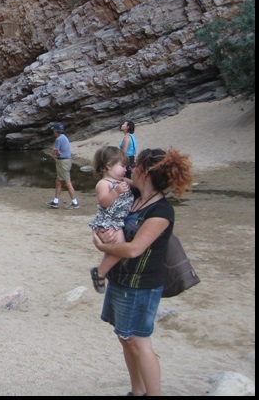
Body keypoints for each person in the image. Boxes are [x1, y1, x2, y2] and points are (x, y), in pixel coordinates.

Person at [92, 147, 193, 397]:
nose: (130, 168)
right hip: (121, 280)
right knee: (125, 339)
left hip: (141, 287)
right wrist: (105, 233)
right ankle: (137, 391)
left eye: (135, 166)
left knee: (140, 343)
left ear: (145, 173)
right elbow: (112, 208)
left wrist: (101, 245)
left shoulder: (161, 211)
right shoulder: (136, 195)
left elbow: (135, 249)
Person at [88, 146, 134, 294]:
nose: (125, 169)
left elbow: (137, 186)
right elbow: (104, 202)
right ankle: (100, 272)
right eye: (122, 165)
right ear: (108, 165)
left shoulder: (121, 181)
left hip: (118, 220)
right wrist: (116, 191)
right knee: (120, 247)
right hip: (109, 221)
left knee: (116, 248)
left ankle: (102, 271)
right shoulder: (104, 183)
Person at [45, 122, 79, 210]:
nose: (53, 132)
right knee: (58, 182)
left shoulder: (59, 139)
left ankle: (75, 202)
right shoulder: (64, 138)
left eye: (53, 130)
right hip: (65, 162)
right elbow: (57, 152)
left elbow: (54, 152)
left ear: (56, 131)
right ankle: (55, 201)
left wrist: (55, 152)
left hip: (62, 163)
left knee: (67, 183)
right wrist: (57, 152)